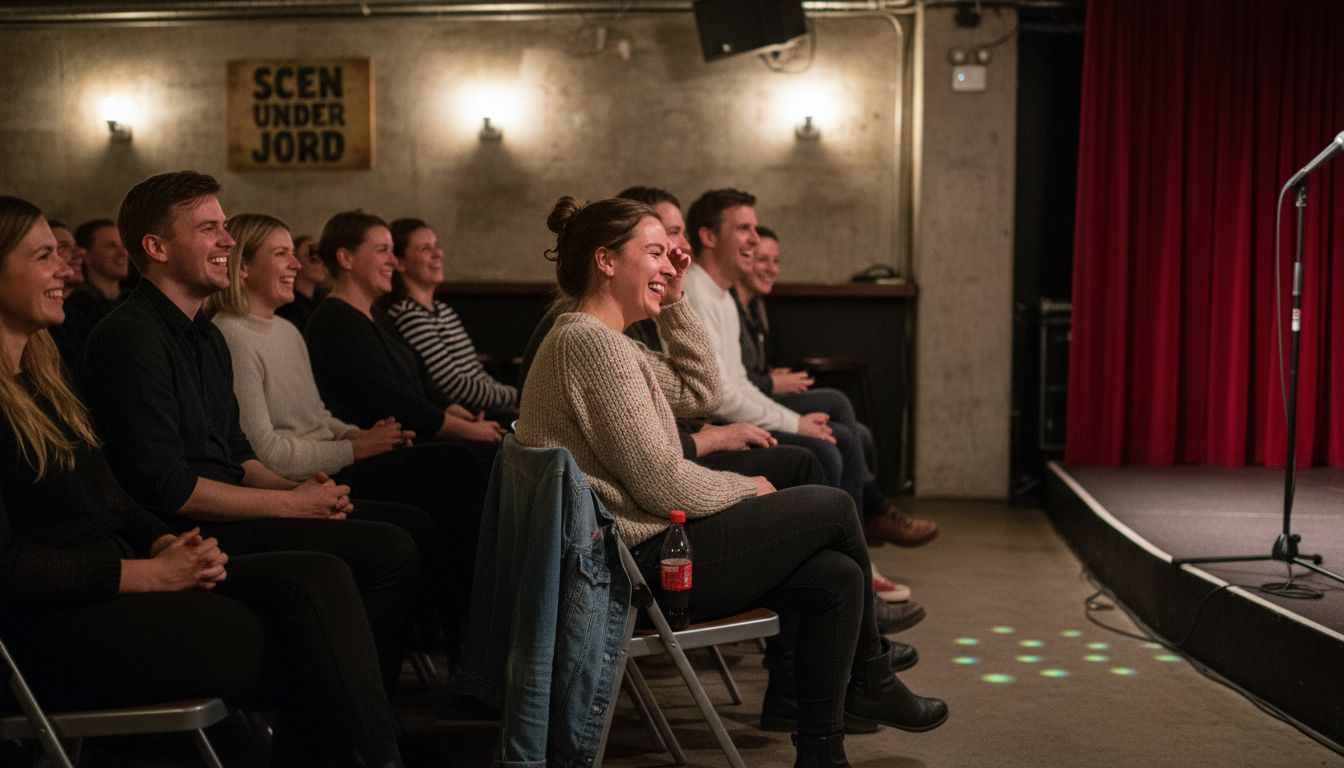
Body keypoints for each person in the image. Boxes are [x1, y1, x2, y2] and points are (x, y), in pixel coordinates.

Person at [518, 196, 947, 768]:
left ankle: (824, 752)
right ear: (605, 261)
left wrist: (673, 306)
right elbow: (661, 484)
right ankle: (871, 678)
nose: (671, 266)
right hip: (631, 565)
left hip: (642, 545)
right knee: (834, 505)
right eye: (655, 254)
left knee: (837, 576)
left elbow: (701, 393)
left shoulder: (610, 342)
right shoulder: (590, 344)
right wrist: (747, 490)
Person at [0, 196, 405, 768]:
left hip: (114, 579)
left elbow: (111, 494)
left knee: (317, 603)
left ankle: (366, 751)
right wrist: (148, 572)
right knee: (292, 628)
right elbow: (10, 564)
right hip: (48, 624)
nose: (67, 268)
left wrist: (165, 544)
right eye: (45, 256)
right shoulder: (126, 337)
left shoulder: (42, 375)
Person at [81, 171, 422, 698]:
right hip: (187, 530)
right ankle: (347, 735)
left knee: (394, 533)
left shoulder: (206, 337)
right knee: (380, 549)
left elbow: (238, 455)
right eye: (208, 229)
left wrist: (302, 493)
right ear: (157, 247)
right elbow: (165, 487)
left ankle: (352, 729)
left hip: (229, 509)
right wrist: (289, 507)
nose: (227, 241)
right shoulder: (129, 336)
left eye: (225, 227)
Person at [210, 212, 487, 645]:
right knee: (442, 483)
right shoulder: (231, 336)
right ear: (241, 267)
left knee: (451, 476)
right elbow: (263, 451)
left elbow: (317, 417)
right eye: (281, 254)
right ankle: (460, 635)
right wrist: (355, 451)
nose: (297, 265)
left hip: (327, 459)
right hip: (302, 477)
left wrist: (358, 436)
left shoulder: (285, 330)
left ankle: (461, 631)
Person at [735, 226, 936, 594]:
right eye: (760, 258)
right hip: (738, 416)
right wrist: (768, 383)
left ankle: (865, 528)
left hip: (754, 402)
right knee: (838, 423)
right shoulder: (720, 300)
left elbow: (738, 373)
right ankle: (865, 533)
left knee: (857, 434)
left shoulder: (755, 307)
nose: (768, 267)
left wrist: (767, 377)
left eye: (775, 261)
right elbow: (726, 387)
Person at [304, 210, 506, 449]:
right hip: (373, 447)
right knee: (477, 457)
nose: (393, 261)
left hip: (410, 433)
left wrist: (467, 419)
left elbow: (424, 382)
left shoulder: (376, 315)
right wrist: (467, 430)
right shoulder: (335, 320)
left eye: (391, 250)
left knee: (503, 430)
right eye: (382, 250)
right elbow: (390, 399)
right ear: (346, 258)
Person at [384, 218, 519, 415]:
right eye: (425, 249)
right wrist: (518, 397)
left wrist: (512, 399)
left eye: (436, 246)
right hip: (459, 416)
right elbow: (452, 385)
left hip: (482, 410)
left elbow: (475, 373)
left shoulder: (444, 310)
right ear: (401, 263)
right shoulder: (407, 314)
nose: (438, 254)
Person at [48, 218, 129, 373]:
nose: (123, 252)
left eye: (124, 245)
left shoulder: (133, 300)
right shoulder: (74, 312)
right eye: (111, 246)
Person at [275, 233, 327, 331]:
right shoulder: (286, 306)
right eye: (313, 256)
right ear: (296, 260)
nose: (321, 262)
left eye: (322, 255)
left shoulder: (324, 303)